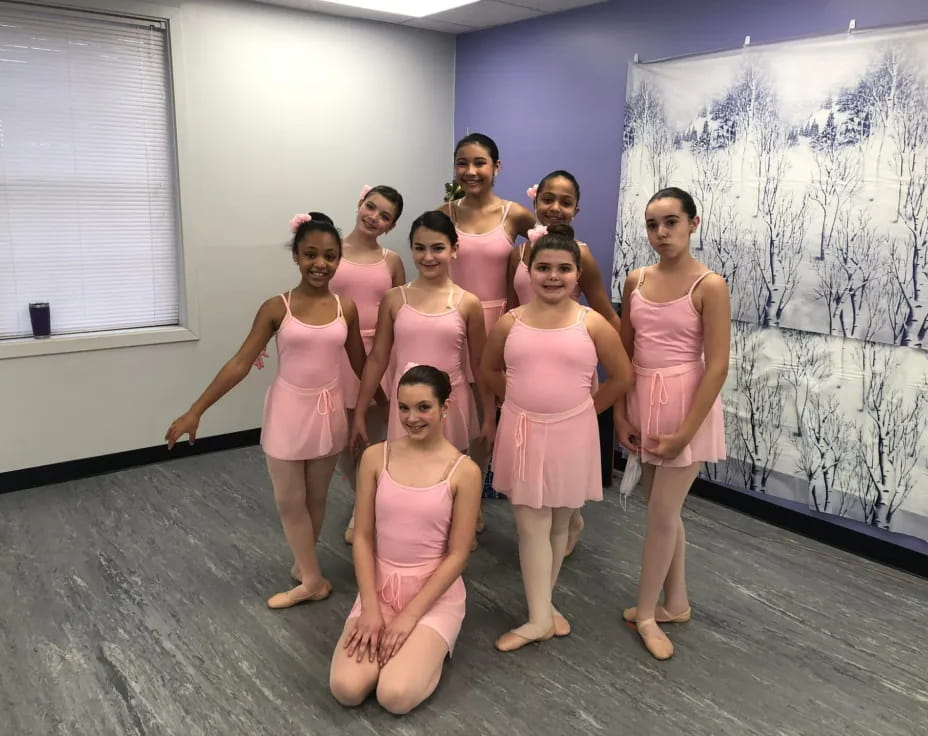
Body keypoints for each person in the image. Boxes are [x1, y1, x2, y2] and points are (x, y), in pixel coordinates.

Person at [165, 212, 366, 608]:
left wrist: (388, 400)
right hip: (288, 411)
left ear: (339, 260)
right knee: (290, 500)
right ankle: (313, 580)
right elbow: (240, 362)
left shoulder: (347, 307)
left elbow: (362, 363)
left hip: (328, 412)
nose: (320, 264)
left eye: (329, 256)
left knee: (316, 498)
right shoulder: (277, 307)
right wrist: (196, 410)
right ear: (296, 256)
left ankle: (305, 567)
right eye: (310, 254)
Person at [482, 224, 633, 652]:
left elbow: (622, 376)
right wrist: (518, 401)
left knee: (560, 525)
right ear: (528, 271)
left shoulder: (593, 323)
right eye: (543, 267)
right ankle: (538, 619)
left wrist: (586, 411)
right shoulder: (510, 323)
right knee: (530, 524)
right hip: (523, 431)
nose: (553, 276)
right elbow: (488, 369)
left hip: (573, 432)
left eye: (564, 269)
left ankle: (542, 610)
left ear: (578, 275)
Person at [615, 187, 730, 661]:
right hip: (643, 398)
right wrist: (620, 412)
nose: (661, 233)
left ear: (692, 223)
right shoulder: (636, 280)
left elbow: (717, 365)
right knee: (662, 510)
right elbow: (624, 354)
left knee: (661, 515)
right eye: (652, 225)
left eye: (671, 222)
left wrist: (686, 432)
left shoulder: (709, 285)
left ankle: (647, 613)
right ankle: (675, 602)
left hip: (686, 405)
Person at [329, 365, 482, 714]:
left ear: (444, 407)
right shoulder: (375, 457)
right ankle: (400, 654)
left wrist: (409, 617)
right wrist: (370, 609)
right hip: (380, 589)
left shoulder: (465, 471)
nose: (412, 418)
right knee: (346, 689)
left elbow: (458, 555)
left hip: (433, 594)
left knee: (395, 696)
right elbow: (363, 537)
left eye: (423, 407)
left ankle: (428, 650)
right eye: (404, 408)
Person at [509, 169, 623, 556]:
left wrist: (626, 361)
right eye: (548, 199)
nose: (555, 208)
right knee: (532, 457)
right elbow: (511, 309)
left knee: (565, 459)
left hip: (570, 367)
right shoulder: (518, 254)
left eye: (566, 202)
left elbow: (605, 311)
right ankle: (539, 524)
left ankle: (570, 516)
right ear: (535, 201)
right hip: (529, 366)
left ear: (576, 209)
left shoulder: (581, 255)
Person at [350, 210, 494, 455]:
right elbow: (378, 358)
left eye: (437, 248)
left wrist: (489, 417)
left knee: (449, 471)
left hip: (450, 404)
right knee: (405, 468)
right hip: (407, 404)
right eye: (420, 248)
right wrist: (360, 413)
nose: (428, 257)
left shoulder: (468, 303)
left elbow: (480, 365)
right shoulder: (394, 299)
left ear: (454, 249)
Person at [329, 185, 406, 545]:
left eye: (384, 216)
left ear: (391, 226)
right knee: (343, 440)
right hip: (337, 352)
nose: (374, 217)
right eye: (371, 207)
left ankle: (365, 508)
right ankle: (364, 496)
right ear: (360, 203)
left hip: (379, 354)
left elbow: (401, 310)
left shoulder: (392, 261)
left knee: (372, 438)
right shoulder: (332, 251)